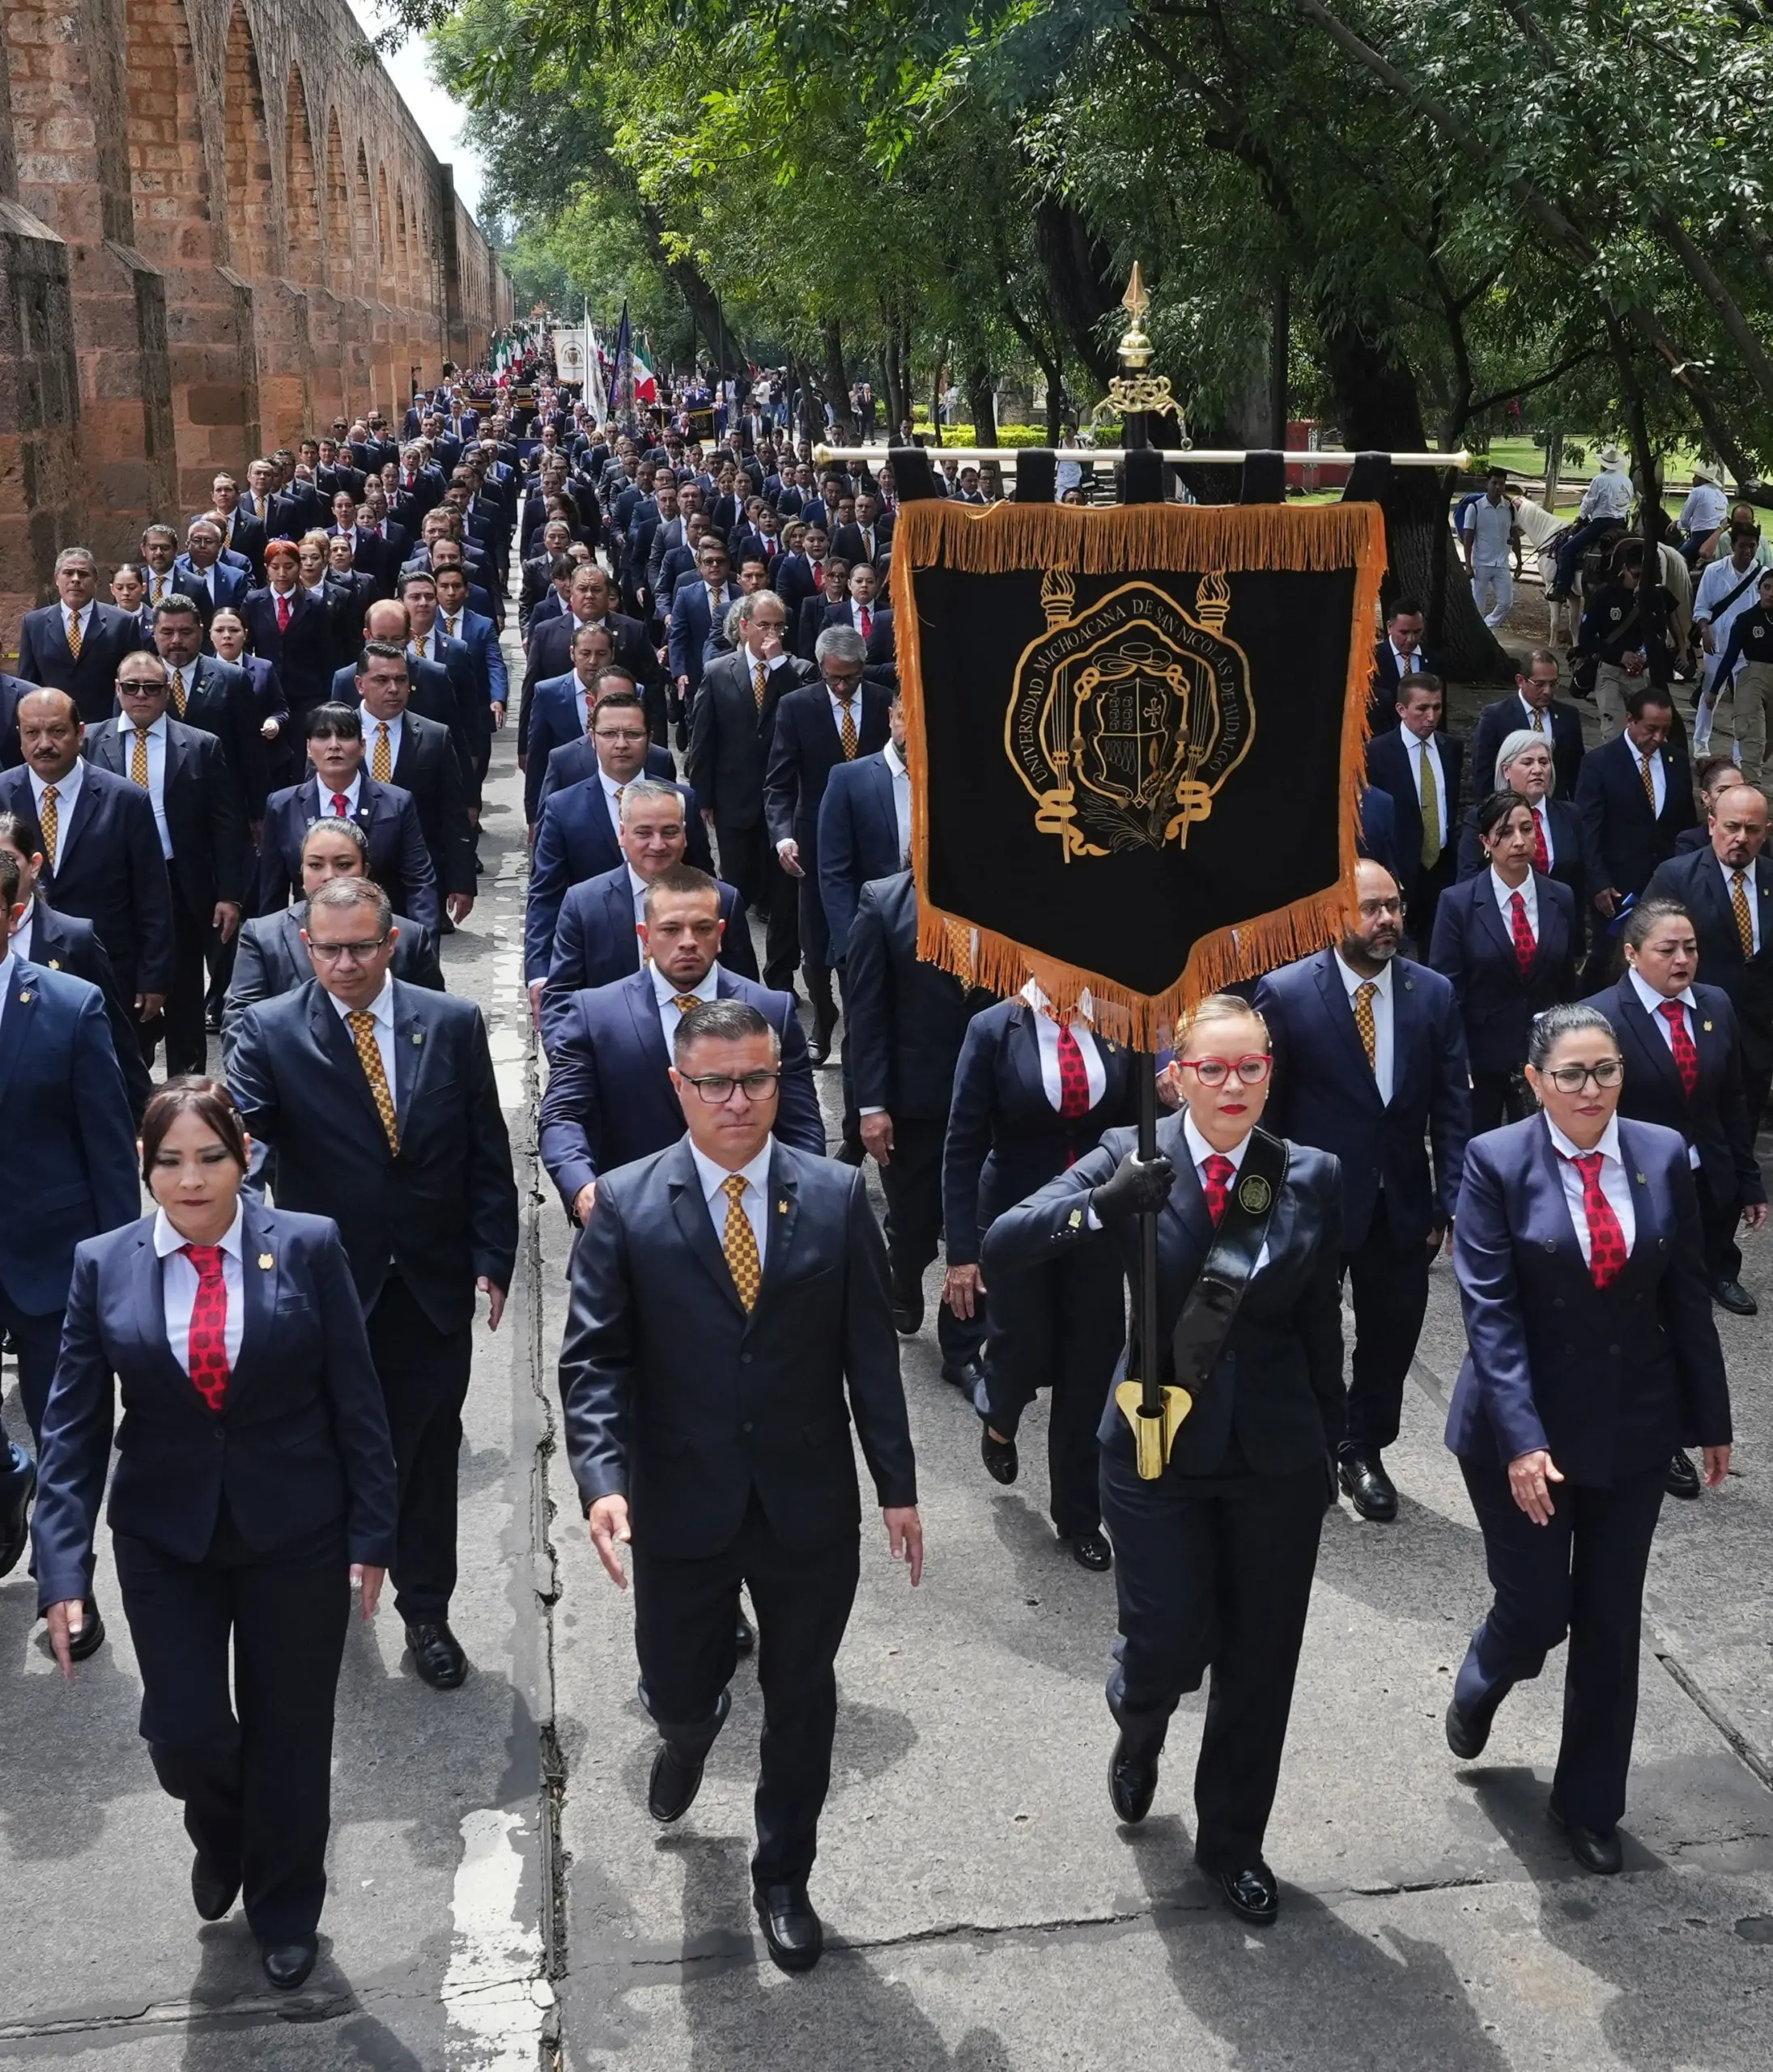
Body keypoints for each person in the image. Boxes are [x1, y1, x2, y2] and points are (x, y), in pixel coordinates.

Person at [559, 997, 920, 1972]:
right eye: (714, 1083)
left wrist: (898, 1485)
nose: (737, 1101)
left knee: (803, 1691)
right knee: (679, 1686)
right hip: (678, 1501)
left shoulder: (839, 1196)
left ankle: (784, 1874)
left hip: (805, 1502)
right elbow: (593, 1362)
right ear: (678, 1087)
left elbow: (869, 1356)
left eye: (756, 1080)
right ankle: (688, 1734)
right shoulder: (627, 1204)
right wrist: (601, 1479)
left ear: (779, 1082)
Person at [982, 996, 1343, 1924]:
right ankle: (1137, 1724)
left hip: (1275, 1455)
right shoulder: (1129, 1150)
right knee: (1166, 1648)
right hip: (1155, 1445)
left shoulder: (1307, 1174)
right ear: (1175, 1073)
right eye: (1212, 1069)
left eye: (1251, 1067)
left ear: (1272, 1070)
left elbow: (1315, 1324)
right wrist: (1101, 1209)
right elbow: (1006, 1240)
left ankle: (1233, 1844)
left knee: (1261, 1662)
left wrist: (1332, 1443)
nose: (1232, 1086)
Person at [30, 1077, 398, 1990]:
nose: (191, 1181)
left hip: (296, 1530)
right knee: (187, 1732)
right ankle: (221, 1827)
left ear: (245, 1159)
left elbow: (358, 1398)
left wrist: (372, 1531)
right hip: (164, 1537)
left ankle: (284, 1906)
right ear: (145, 1168)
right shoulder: (102, 1263)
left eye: (211, 1158)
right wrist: (62, 1569)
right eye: (170, 1162)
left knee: (292, 1730)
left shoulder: (306, 1247)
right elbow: (72, 1429)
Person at [1443, 1004, 1732, 1875]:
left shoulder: (1657, 1153)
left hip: (1632, 1425)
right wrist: (1526, 1441)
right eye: (1570, 1073)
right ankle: (1482, 1679)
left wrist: (1710, 1417)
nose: (1590, 1088)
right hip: (1515, 1429)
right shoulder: (1496, 1161)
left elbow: (1686, 1290)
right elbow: (1489, 1312)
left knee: (1610, 1616)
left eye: (1604, 1069)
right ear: (1534, 1082)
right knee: (1538, 1611)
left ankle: (1590, 1804)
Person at [228, 877, 517, 1692]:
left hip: (429, 1282)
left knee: (426, 1453)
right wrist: (247, 1246)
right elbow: (246, 1149)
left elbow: (485, 1151)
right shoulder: (272, 1030)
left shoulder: (451, 1024)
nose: (345, 963)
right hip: (327, 1289)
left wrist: (493, 1254)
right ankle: (327, 1593)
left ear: (392, 943)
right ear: (307, 947)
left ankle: (426, 1608)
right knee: (328, 1452)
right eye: (328, 949)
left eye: (361, 947)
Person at [1256, 860, 1470, 1523]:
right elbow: (1267, 1112)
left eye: (1396, 907)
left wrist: (1451, 1201)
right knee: (1306, 1330)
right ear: (1334, 916)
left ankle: (1363, 1449)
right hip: (1313, 1207)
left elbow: (1453, 1108)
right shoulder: (1287, 993)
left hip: (1400, 1205)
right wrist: (1263, 1208)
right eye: (1372, 908)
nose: (1388, 921)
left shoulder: (1432, 993)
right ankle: (1312, 1445)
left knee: (1391, 1335)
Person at [945, 980, 1140, 1569]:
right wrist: (962, 1250)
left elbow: (1136, 1133)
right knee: (1021, 1347)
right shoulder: (992, 1029)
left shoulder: (1118, 1021)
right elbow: (962, 1144)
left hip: (1098, 1223)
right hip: (1017, 1220)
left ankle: (1078, 1513)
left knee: (1091, 1362)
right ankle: (1000, 1415)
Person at [0, 840, 140, 1612]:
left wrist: (123, 1272)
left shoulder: (68, 1006)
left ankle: (66, 1581)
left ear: (14, 916)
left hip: (52, 1258)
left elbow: (110, 1152)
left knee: (71, 1430)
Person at [539, 866, 824, 1209]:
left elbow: (801, 1123)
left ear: (720, 934)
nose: (688, 941)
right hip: (633, 1215)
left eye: (702, 928)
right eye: (671, 929)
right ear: (645, 936)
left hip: (746, 1212)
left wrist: (802, 1197)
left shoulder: (771, 1011)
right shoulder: (594, 1014)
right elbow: (563, 1115)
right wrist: (582, 1187)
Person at [1587, 898, 1763, 1352]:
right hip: (1636, 1182)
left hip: (1706, 1174)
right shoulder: (1599, 1018)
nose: (1683, 960)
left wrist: (1748, 1181)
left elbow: (1733, 1098)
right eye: (1668, 950)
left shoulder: (1716, 1004)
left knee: (1690, 1306)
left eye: (1691, 948)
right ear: (1632, 954)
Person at [844, 869, 990, 1390]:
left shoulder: (1016, 896)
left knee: (978, 1225)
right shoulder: (884, 903)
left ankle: (963, 1347)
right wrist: (871, 1106)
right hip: (914, 1104)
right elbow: (866, 1011)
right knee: (914, 1225)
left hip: (988, 1100)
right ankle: (902, 1276)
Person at [84, 649, 245, 1076]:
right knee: (121, 990)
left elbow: (226, 825)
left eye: (152, 688)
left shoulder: (200, 746)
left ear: (167, 692)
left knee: (185, 993)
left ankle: (187, 1092)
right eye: (131, 687)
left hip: (180, 884)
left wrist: (229, 894)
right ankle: (129, 1088)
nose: (141, 695)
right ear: (117, 690)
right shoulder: (89, 743)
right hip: (113, 888)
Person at [0, 687, 174, 1030]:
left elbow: (152, 893)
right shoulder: (3, 793)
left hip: (107, 970)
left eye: (57, 731)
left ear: (80, 733)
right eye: (32, 733)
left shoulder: (126, 800)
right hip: (16, 971)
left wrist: (154, 976)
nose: (44, 744)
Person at [537, 779, 755, 1039]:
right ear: (622, 833)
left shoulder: (724, 900)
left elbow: (745, 994)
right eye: (644, 833)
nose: (658, 844)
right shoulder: (584, 905)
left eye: (670, 832)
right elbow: (560, 1002)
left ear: (685, 835)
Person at [765, 626, 892, 1070]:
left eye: (850, 678)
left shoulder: (884, 702)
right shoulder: (796, 707)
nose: (841, 687)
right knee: (816, 945)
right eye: (833, 678)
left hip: (876, 842)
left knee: (867, 941)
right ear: (820, 669)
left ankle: (863, 1030)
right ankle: (824, 1017)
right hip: (815, 845)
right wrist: (783, 837)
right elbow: (779, 783)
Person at [223, 817, 443, 1059]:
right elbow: (240, 1025)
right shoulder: (263, 936)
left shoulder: (410, 936)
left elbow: (433, 1020)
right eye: (316, 865)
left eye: (344, 864)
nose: (329, 876)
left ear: (365, 871)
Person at [687, 590, 814, 994]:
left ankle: (780, 981)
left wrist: (778, 664)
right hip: (734, 801)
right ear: (744, 627)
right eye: (764, 626)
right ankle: (739, 979)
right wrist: (702, 797)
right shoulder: (718, 670)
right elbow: (703, 739)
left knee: (784, 900)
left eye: (779, 627)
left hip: (785, 807)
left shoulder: (797, 670)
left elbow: (805, 708)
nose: (772, 634)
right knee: (735, 894)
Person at [1432, 790, 1583, 1132]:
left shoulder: (1560, 897)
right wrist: (1459, 1060)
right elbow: (1448, 990)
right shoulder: (1458, 904)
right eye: (1505, 832)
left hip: (1545, 1056)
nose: (1518, 841)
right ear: (1486, 842)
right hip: (1481, 1058)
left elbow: (1566, 983)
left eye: (1527, 829)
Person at [0, 808, 152, 1118]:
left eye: (8, 861)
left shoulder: (75, 940)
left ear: (34, 865)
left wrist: (144, 1122)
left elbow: (117, 1042)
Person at [1644, 781, 1773, 1136]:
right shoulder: (1676, 877)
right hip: (1693, 1032)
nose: (1741, 838)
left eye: (1752, 829)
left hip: (1757, 1038)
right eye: (1732, 827)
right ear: (1713, 825)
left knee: (1743, 1140)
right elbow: (1648, 954)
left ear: (1766, 832)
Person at [255, 703, 439, 932]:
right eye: (322, 736)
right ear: (309, 748)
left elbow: (419, 880)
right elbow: (273, 892)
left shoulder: (397, 802)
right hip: (310, 937)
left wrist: (423, 945)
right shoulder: (282, 805)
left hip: (380, 934)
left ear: (362, 746)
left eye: (344, 736)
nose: (334, 746)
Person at [353, 642, 475, 927]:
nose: (393, 688)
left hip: (419, 881)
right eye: (381, 680)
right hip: (351, 884)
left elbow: (453, 815)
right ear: (360, 684)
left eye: (401, 679)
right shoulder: (336, 736)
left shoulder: (435, 737)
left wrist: (462, 881)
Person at [1575, 686, 1696, 941]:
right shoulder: (1599, 764)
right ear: (1630, 720)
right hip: (1618, 888)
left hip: (1666, 883)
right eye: (1651, 729)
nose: (1659, 738)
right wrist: (1598, 882)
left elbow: (1686, 824)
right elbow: (1588, 829)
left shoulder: (1677, 761)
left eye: (1665, 730)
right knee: (1610, 957)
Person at [1364, 674, 1464, 949]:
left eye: (1437, 707)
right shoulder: (1378, 752)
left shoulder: (1450, 748)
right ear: (1401, 710)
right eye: (1422, 709)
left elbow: (1452, 804)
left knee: (1441, 944)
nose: (1431, 716)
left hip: (1442, 867)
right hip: (1398, 868)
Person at [1455, 728, 1588, 908]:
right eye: (1527, 762)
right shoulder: (1481, 817)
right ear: (1506, 771)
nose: (1538, 770)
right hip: (1503, 920)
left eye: (1544, 762)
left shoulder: (1570, 815)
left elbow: (1579, 881)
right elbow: (1467, 879)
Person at [15, 547, 144, 724]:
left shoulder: (123, 623)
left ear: (96, 581)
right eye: (68, 573)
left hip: (105, 729)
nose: (75, 580)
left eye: (83, 574)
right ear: (57, 580)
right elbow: (27, 684)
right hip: (52, 729)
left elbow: (133, 683)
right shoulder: (34, 624)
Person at [1469, 649, 1586, 805]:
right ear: (1520, 681)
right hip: (1510, 812)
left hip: (1555, 812)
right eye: (1540, 684)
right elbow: (1483, 774)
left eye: (1553, 684)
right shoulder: (1496, 716)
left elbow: (1576, 772)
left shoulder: (1568, 716)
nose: (1547, 691)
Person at [1707, 566, 1773, 783]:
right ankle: (1750, 787)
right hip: (1751, 678)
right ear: (1759, 589)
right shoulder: (1746, 620)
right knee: (1752, 734)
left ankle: (1744, 776)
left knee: (1769, 739)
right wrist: (1714, 690)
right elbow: (1730, 656)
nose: (1771, 593)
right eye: (1767, 587)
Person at [1549, 444, 1635, 603]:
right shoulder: (1627, 481)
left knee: (1567, 550)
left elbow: (1589, 503)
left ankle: (1561, 590)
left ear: (1603, 463)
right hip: (1621, 525)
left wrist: (1580, 519)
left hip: (1601, 524)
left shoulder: (1599, 480)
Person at [1367, 597, 1444, 732]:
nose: (1411, 639)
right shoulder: (1371, 660)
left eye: (1417, 632)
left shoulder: (1434, 661)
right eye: (1404, 632)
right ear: (1390, 627)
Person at [1462, 469, 1519, 629]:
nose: (1498, 487)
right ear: (1487, 483)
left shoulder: (1509, 508)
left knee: (1506, 602)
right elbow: (1468, 538)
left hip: (1502, 564)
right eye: (1494, 483)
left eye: (1501, 484)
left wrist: (1520, 561)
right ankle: (1476, 636)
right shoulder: (1475, 508)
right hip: (1481, 564)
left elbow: (1515, 533)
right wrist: (1468, 564)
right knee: (1478, 607)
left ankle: (1486, 627)